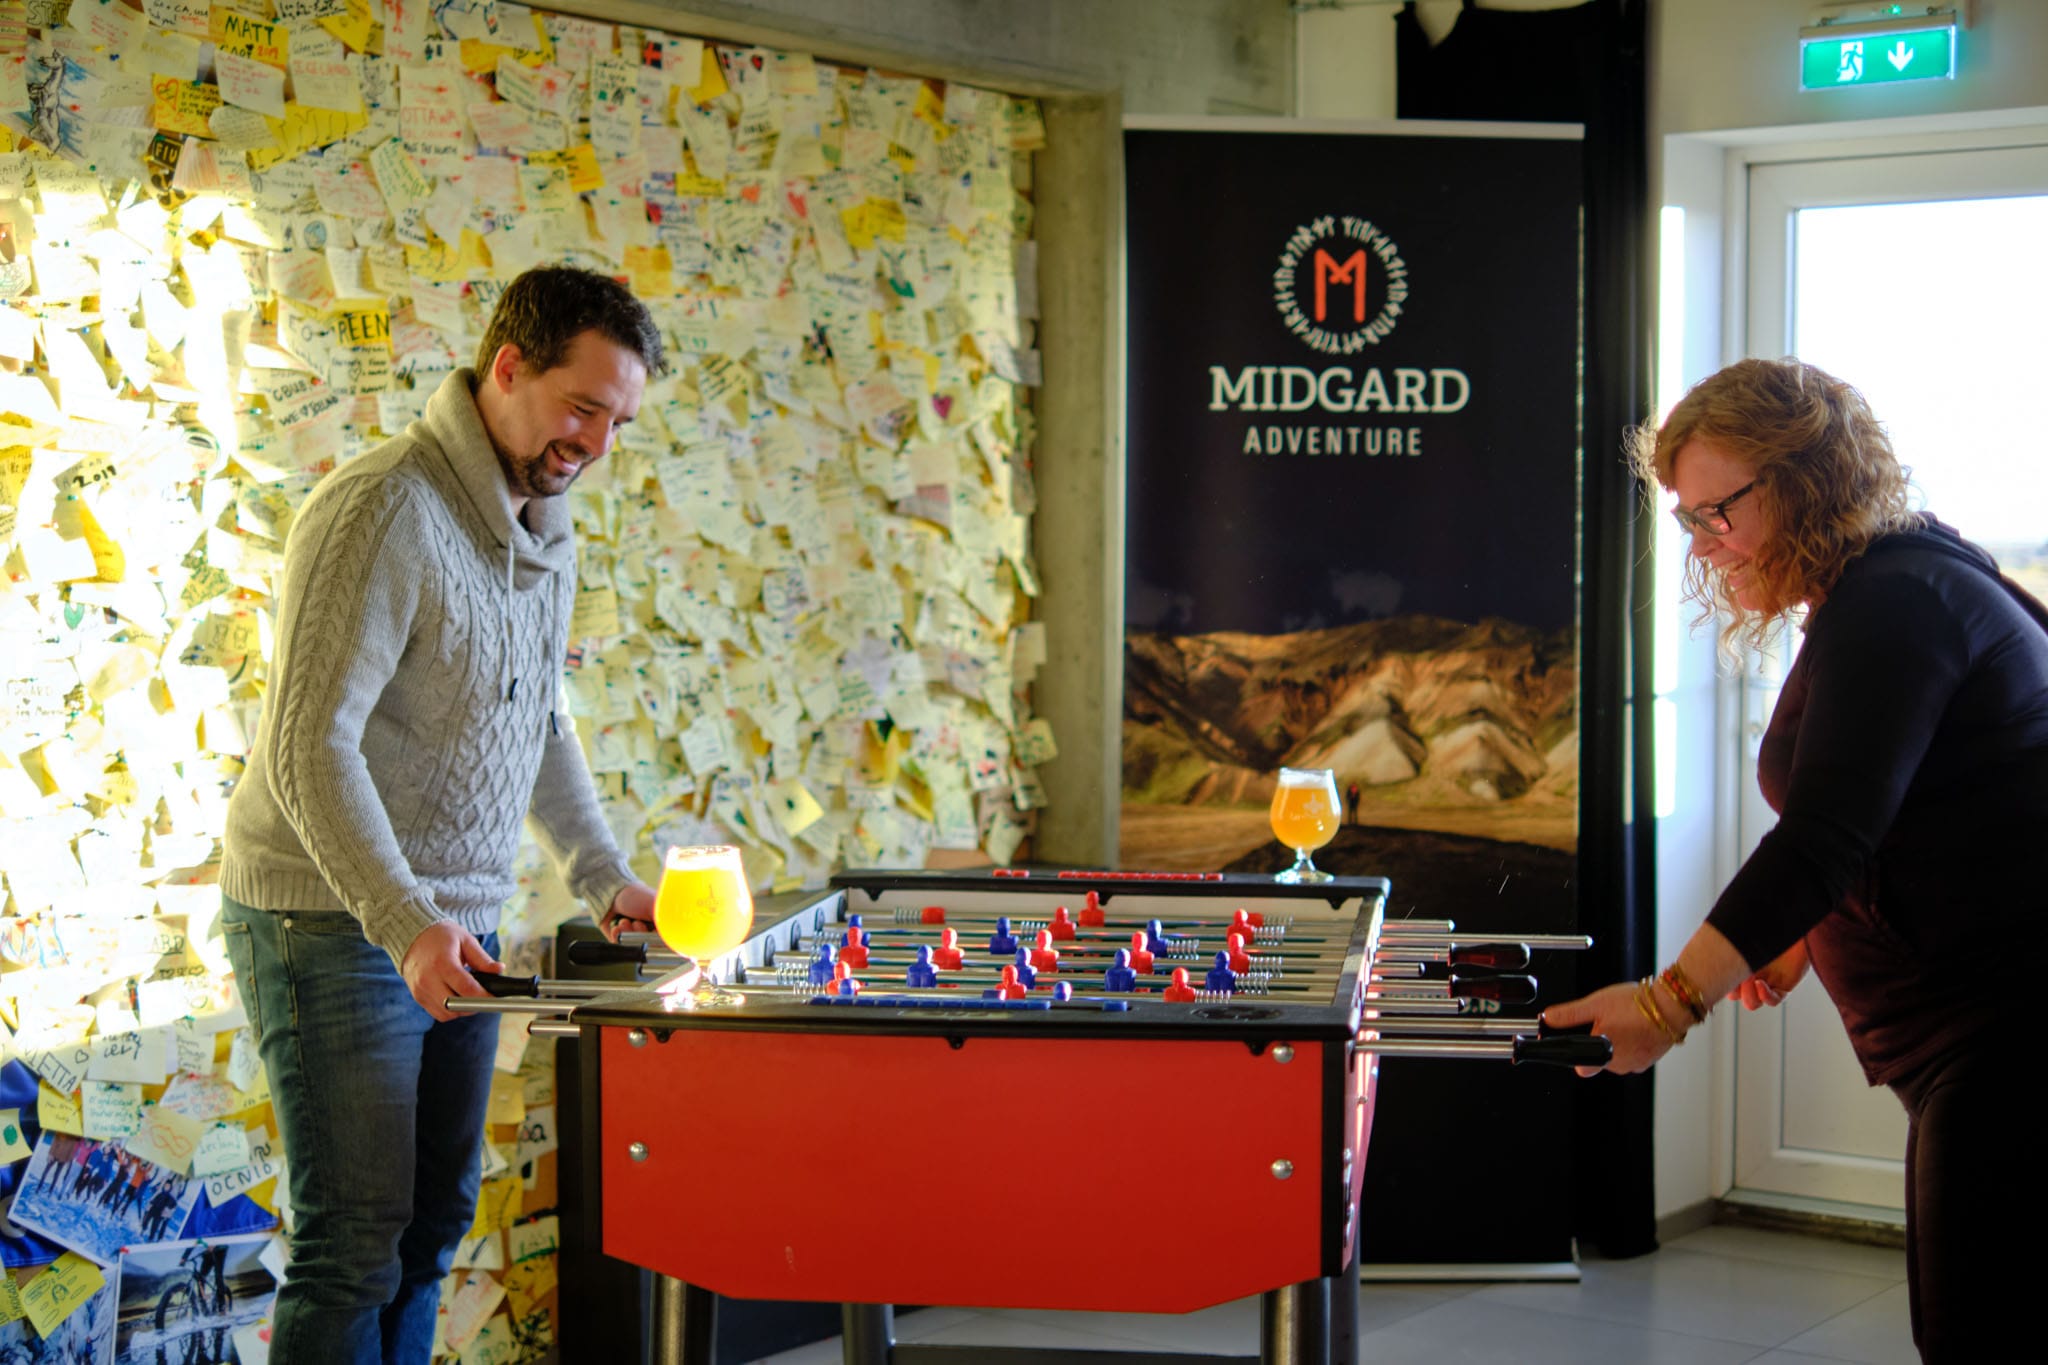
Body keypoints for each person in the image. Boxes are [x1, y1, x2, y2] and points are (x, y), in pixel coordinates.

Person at [1544, 358, 2048, 1364]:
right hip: (1977, 1032)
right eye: (1687, 518)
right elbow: (1914, 807)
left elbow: (1824, 833)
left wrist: (1664, 1005)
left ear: (1804, 480)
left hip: (2010, 1032)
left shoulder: (1897, 602)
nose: (1702, 542)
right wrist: (1802, 936)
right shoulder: (1894, 582)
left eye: (1716, 511)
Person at [218, 266, 668, 1363]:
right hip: (332, 920)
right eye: (581, 407)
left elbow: (538, 723)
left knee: (429, 1233)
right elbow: (308, 745)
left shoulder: (544, 523)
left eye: (618, 421)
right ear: (507, 367)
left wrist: (604, 877)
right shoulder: (383, 509)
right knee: (354, 1246)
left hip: (456, 930)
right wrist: (404, 919)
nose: (596, 443)